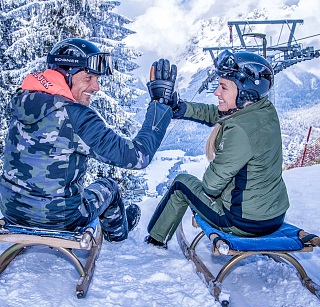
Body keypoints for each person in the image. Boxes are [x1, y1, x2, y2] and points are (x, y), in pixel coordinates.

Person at [0, 38, 177, 242]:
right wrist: (160, 104)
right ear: (66, 74)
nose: (96, 87)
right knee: (109, 186)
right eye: (89, 77)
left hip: (12, 210)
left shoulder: (22, 100)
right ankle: (119, 237)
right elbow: (138, 156)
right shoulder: (76, 116)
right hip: (59, 219)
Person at [145, 50, 290, 249]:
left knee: (181, 184)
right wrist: (181, 108)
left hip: (243, 222)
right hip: (273, 216)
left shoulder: (239, 130)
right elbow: (219, 114)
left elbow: (211, 186)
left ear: (244, 92)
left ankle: (154, 241)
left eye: (223, 87)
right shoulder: (262, 110)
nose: (216, 93)